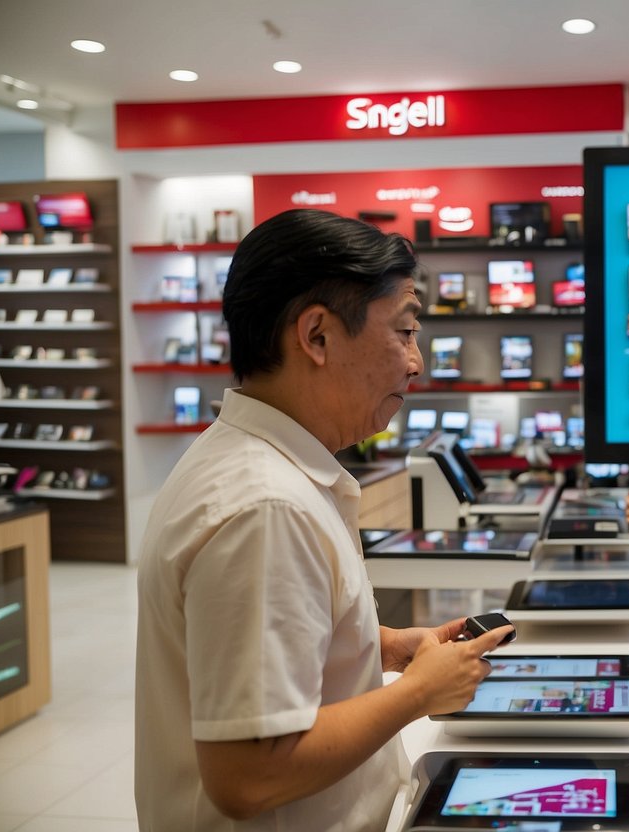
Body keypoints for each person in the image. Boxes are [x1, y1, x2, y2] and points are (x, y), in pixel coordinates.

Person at [134, 209, 512, 831]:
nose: (416, 363)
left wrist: (387, 647)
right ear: (316, 336)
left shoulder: (248, 465)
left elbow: (264, 653)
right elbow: (250, 773)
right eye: (404, 332)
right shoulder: (265, 509)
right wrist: (419, 693)